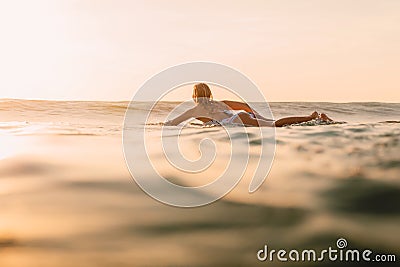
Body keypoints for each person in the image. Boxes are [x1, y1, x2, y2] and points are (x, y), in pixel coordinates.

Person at [164, 83, 333, 127]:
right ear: (209, 94)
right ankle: (315, 120)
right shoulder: (220, 103)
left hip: (236, 121)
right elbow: (244, 106)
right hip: (241, 116)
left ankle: (309, 117)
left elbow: (172, 123)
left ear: (194, 96)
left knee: (275, 126)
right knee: (273, 124)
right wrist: (259, 116)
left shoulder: (194, 109)